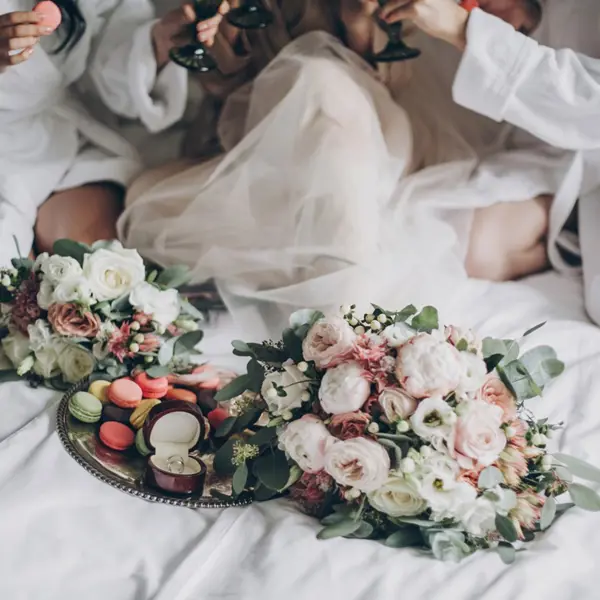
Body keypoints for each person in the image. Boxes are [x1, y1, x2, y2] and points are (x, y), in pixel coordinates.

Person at [119, 0, 565, 338]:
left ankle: (348, 338)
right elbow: (226, 88)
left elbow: (407, 73)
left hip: (398, 126)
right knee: (147, 205)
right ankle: (343, 304)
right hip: (277, 145)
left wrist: (359, 18)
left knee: (319, 82)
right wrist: (220, 37)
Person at [378, 0, 600, 323]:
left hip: (579, 141)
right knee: (453, 237)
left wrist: (465, 32)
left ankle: (562, 240)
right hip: (543, 149)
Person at [0, 0, 225, 265]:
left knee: (86, 261)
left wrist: (159, 42)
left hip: (57, 139)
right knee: (11, 270)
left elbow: (107, 42)